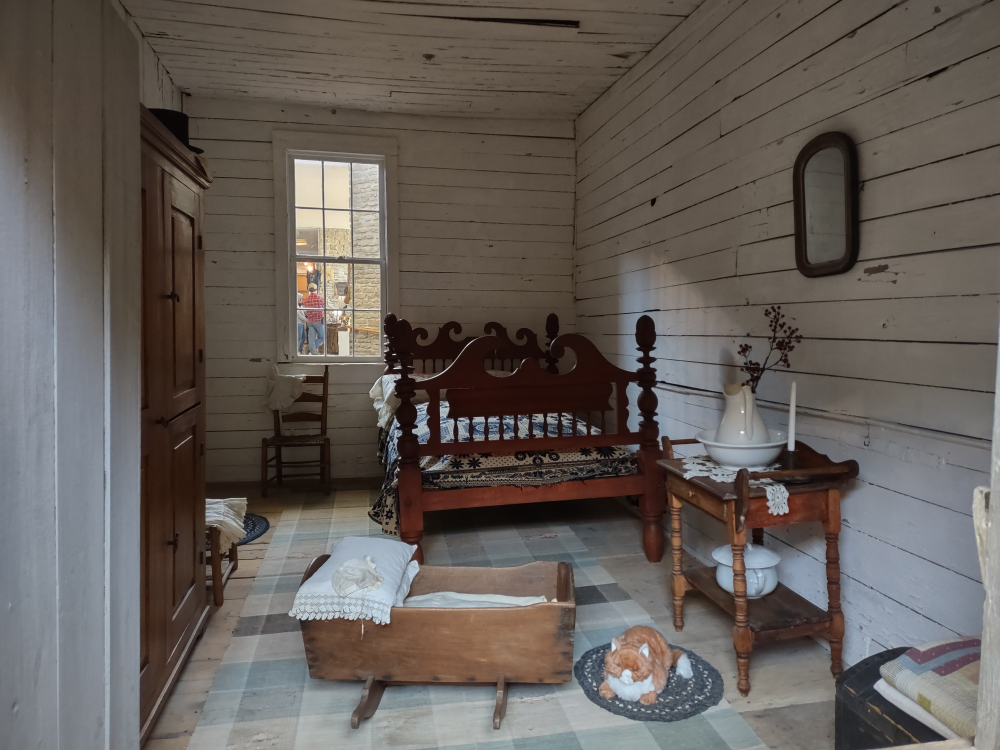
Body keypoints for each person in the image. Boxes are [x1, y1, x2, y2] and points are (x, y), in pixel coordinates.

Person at [301, 283, 326, 355]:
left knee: (311, 338)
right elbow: (324, 309)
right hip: (318, 320)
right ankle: (309, 348)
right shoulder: (321, 299)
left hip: (310, 321)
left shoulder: (305, 300)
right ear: (316, 290)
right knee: (322, 337)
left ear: (309, 290)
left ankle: (313, 351)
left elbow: (304, 311)